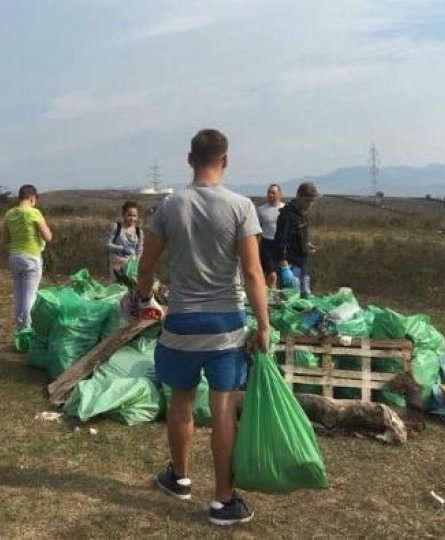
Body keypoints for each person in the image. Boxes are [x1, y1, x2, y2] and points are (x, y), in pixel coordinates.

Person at [133, 129, 269, 526]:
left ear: (190, 159)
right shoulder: (242, 206)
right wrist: (264, 324)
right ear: (225, 161)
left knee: (180, 399)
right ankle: (224, 500)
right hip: (226, 323)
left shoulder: (171, 206)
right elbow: (252, 271)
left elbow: (146, 264)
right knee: (223, 408)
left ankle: (178, 476)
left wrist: (142, 298)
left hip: (181, 322)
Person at [5, 185, 52, 332]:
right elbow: (48, 237)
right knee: (30, 295)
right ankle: (27, 327)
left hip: (14, 256)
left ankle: (19, 327)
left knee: (18, 294)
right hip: (31, 256)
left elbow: (6, 238)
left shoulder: (9, 214)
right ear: (32, 198)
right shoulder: (34, 213)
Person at [274, 181, 319, 298]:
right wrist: (284, 267)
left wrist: (306, 244)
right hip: (291, 265)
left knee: (305, 298)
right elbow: (281, 241)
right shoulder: (287, 215)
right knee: (292, 301)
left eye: (312, 201)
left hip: (303, 261)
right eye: (307, 200)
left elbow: (297, 235)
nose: (310, 204)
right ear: (299, 196)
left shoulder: (302, 214)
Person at [105, 201, 144, 281]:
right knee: (118, 289)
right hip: (116, 266)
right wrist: (121, 248)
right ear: (124, 214)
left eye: (134, 216)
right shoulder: (116, 228)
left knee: (131, 289)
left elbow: (139, 250)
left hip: (131, 267)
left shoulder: (139, 232)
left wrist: (136, 262)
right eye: (129, 215)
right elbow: (108, 244)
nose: (132, 218)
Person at [256, 184, 284, 289]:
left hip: (280, 245)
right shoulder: (261, 210)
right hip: (266, 244)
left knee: (280, 274)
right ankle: (268, 295)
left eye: (273, 192)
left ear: (280, 194)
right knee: (272, 275)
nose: (270, 195)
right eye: (269, 192)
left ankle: (275, 295)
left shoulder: (285, 208)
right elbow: (256, 229)